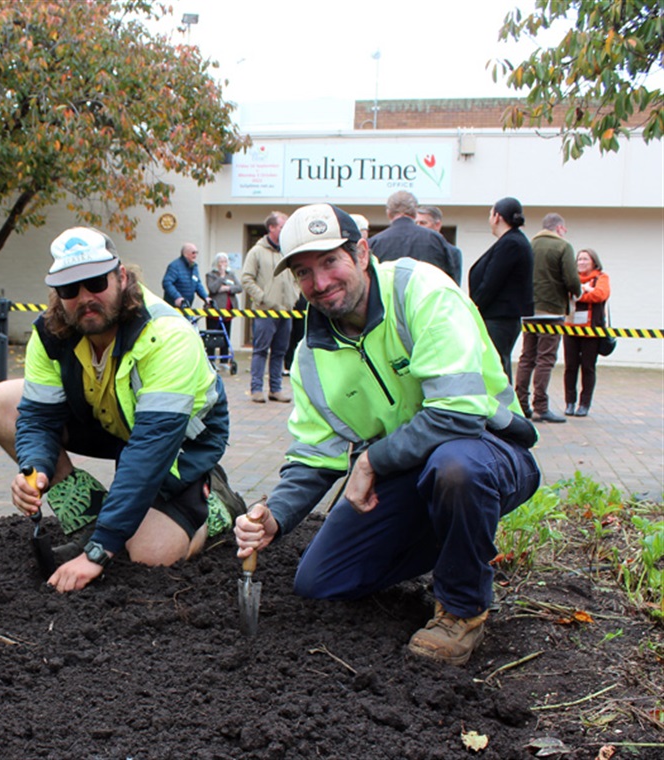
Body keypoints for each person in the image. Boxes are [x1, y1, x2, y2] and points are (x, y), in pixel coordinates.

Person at [233, 203, 540, 666]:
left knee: (454, 468)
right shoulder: (311, 356)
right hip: (410, 470)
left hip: (488, 450)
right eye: (303, 272)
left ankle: (462, 607)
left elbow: (458, 414)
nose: (319, 284)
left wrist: (370, 461)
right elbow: (315, 453)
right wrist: (274, 514)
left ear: (361, 251)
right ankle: (457, 541)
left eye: (330, 262)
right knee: (320, 580)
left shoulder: (421, 290)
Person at [0, 227, 242, 593]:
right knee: (0, 403)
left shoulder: (167, 334)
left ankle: (216, 505)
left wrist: (98, 552)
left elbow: (149, 451)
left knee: (149, 555)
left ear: (121, 277)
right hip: (112, 420)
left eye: (95, 283)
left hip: (176, 440)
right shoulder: (51, 331)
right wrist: (34, 468)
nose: (85, 298)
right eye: (70, 290)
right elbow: (39, 418)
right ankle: (92, 517)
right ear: (58, 293)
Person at [514, 213, 580, 423]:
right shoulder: (563, 246)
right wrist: (577, 292)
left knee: (527, 357)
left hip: (529, 309)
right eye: (565, 228)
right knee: (546, 359)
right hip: (552, 311)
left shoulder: (529, 244)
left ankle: (521, 404)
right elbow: (571, 278)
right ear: (559, 228)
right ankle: (541, 407)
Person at [469, 197, 534, 384]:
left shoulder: (511, 243)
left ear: (497, 217)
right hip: (499, 317)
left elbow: (491, 282)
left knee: (495, 368)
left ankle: (503, 409)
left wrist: (474, 308)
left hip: (499, 318)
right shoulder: (512, 241)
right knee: (497, 365)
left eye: (490, 214)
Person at [240, 211, 299, 403]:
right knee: (260, 351)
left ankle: (276, 389)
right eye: (282, 226)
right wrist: (263, 298)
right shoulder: (257, 252)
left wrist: (295, 295)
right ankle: (256, 389)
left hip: (287, 311)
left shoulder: (287, 251)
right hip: (265, 312)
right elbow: (246, 279)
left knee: (280, 352)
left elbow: (296, 277)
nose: (285, 230)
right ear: (272, 228)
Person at [370, 191, 459, 284]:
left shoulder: (375, 242)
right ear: (415, 212)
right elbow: (450, 280)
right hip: (427, 296)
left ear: (388, 213)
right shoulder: (435, 240)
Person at [564, 248, 610, 418]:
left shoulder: (601, 278)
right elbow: (564, 295)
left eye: (585, 259)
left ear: (593, 262)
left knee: (588, 368)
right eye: (579, 260)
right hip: (570, 329)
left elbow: (600, 295)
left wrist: (578, 294)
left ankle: (584, 404)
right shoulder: (571, 279)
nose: (581, 262)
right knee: (570, 367)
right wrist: (585, 291)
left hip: (592, 331)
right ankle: (569, 402)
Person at [205, 252, 242, 364]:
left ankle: (224, 361)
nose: (223, 264)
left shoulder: (231, 274)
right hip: (215, 311)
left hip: (228, 311)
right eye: (221, 262)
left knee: (226, 336)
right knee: (212, 336)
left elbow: (239, 287)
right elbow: (213, 288)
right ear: (216, 263)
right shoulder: (211, 275)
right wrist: (221, 278)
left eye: (225, 262)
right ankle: (211, 360)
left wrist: (227, 289)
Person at [414, 205, 464, 286]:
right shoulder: (411, 248)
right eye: (416, 223)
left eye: (423, 223)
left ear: (437, 225)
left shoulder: (452, 252)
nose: (418, 227)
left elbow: (454, 285)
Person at [162, 243, 210, 309]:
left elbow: (198, 284)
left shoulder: (194, 267)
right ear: (185, 254)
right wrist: (177, 297)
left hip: (187, 307)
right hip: (173, 307)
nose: (195, 255)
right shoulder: (175, 266)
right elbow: (167, 283)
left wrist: (206, 297)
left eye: (196, 253)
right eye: (193, 253)